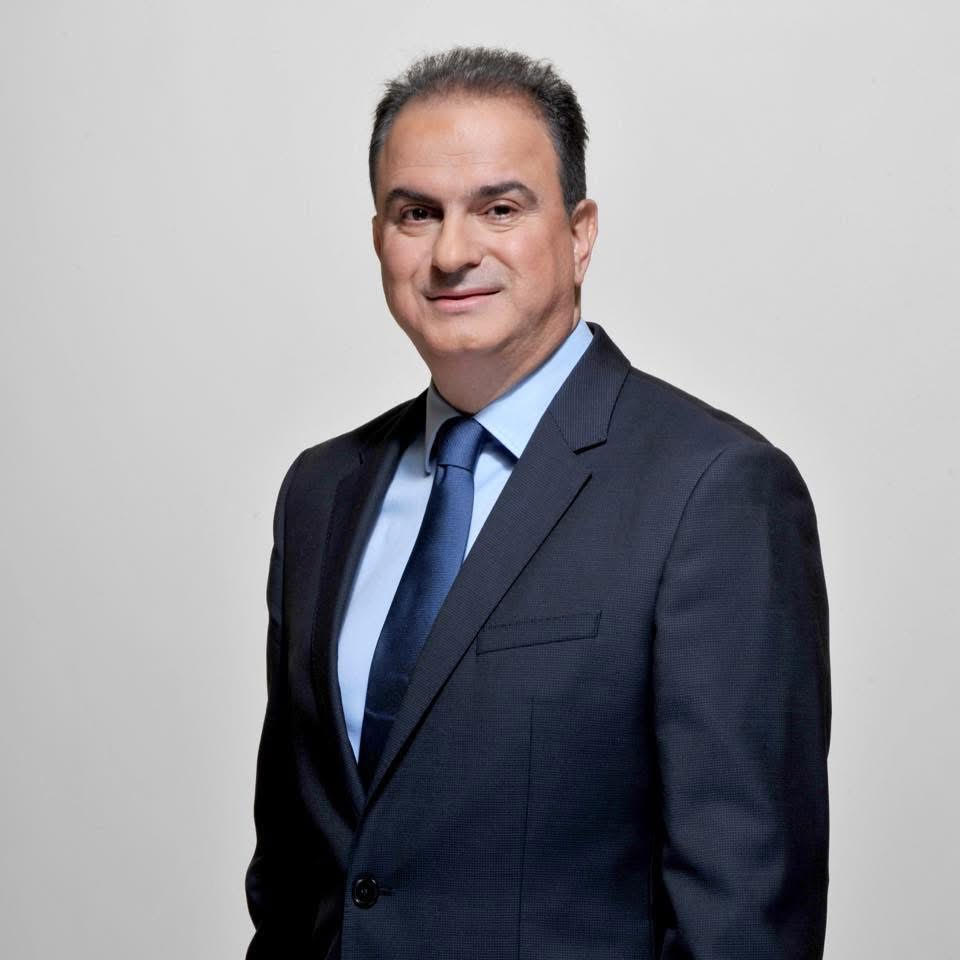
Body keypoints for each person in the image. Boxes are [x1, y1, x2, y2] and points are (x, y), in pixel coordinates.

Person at [245, 46, 831, 960]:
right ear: (379, 237)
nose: (452, 253)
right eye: (417, 213)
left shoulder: (712, 490)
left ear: (580, 232)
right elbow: (295, 879)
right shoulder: (321, 493)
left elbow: (743, 920)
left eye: (500, 208)